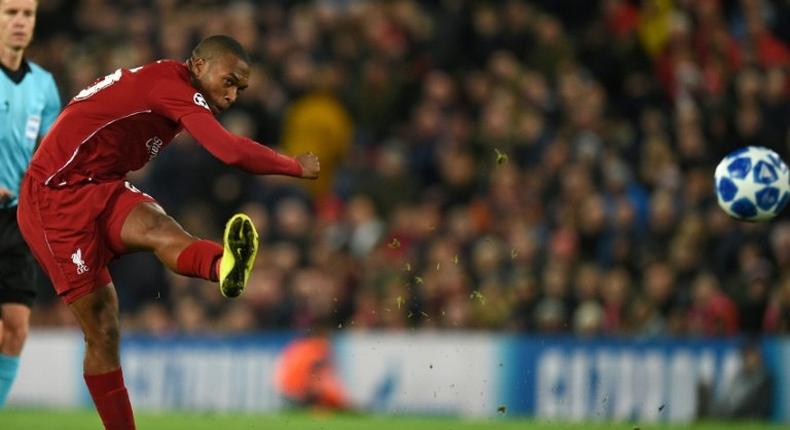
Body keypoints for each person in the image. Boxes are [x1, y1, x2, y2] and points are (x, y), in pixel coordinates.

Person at [17, 35, 320, 429]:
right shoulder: (172, 86)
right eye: (228, 81)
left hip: (101, 184)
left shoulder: (170, 86)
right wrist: (293, 165)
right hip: (53, 200)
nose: (231, 96)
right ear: (197, 65)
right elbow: (227, 150)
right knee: (103, 328)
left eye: (240, 89)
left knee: (160, 227)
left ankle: (224, 266)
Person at [0, 0, 61, 407]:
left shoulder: (44, 85)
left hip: (17, 219)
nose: (20, 22)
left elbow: (52, 154)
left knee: (17, 327)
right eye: (10, 13)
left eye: (28, 14)